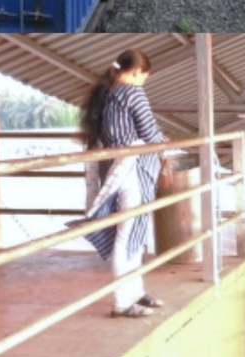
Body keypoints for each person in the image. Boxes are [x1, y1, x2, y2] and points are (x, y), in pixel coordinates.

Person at [73, 49, 168, 319]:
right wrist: (165, 145)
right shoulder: (132, 92)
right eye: (145, 77)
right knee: (128, 237)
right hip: (133, 167)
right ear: (137, 72)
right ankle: (121, 302)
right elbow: (150, 132)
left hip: (119, 165)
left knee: (133, 233)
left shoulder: (109, 93)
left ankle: (136, 292)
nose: (144, 83)